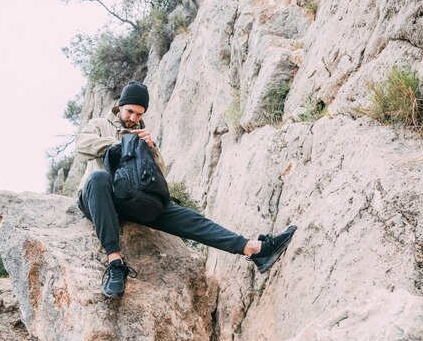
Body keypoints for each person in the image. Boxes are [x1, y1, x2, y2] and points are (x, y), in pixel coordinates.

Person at [76, 80, 297, 298]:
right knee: (98, 178)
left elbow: (159, 172)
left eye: (139, 114)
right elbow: (83, 145)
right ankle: (115, 263)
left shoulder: (143, 136)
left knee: (186, 216)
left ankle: (254, 249)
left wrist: (150, 148)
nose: (134, 118)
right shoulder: (100, 125)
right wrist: (120, 145)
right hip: (100, 198)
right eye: (130, 112)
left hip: (131, 199)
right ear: (120, 107)